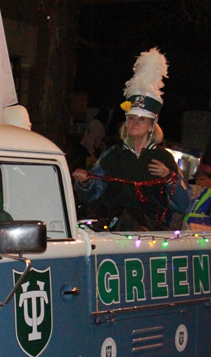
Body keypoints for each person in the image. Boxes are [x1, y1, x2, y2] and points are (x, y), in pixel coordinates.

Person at [73, 48, 190, 231]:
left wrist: (168, 177)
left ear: (151, 126)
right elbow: (91, 194)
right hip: (114, 229)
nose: (134, 123)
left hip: (151, 234)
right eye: (131, 118)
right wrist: (85, 182)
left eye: (141, 120)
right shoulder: (113, 154)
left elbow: (184, 205)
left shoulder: (164, 158)